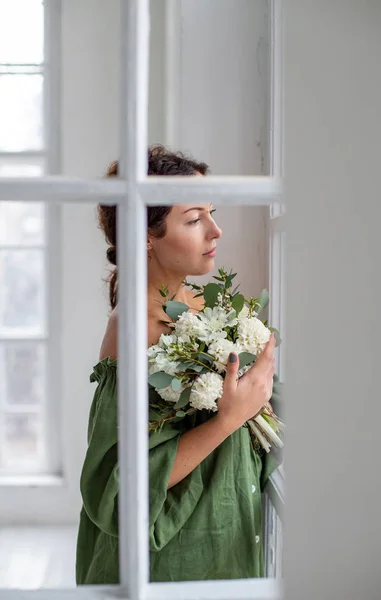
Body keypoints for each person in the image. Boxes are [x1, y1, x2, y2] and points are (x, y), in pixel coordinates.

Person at [75, 144, 281, 584]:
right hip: (173, 563)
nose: (216, 230)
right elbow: (116, 489)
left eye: (211, 212)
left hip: (227, 534)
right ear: (146, 234)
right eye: (194, 219)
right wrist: (228, 420)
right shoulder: (135, 329)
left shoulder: (199, 305)